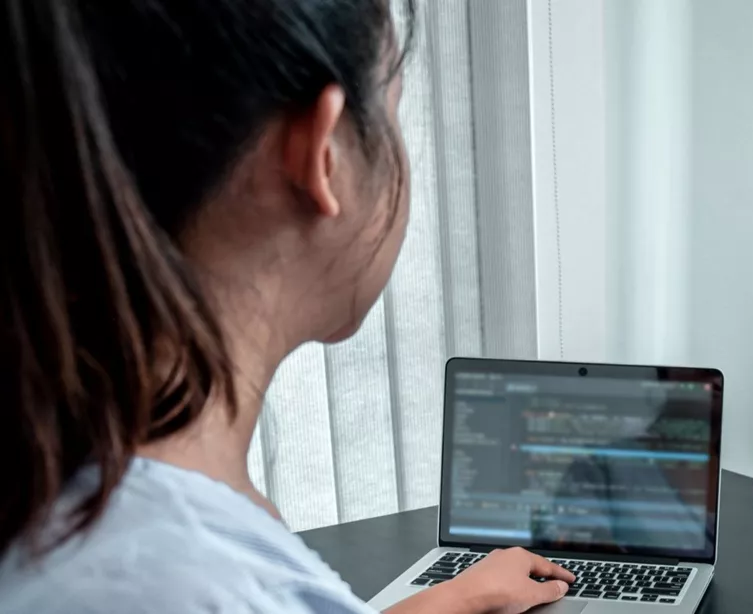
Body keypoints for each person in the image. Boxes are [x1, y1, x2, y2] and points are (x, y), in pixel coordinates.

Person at [0, 1, 573, 612]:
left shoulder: (71, 492)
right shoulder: (201, 584)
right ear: (320, 154)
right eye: (394, 110)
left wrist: (455, 598)